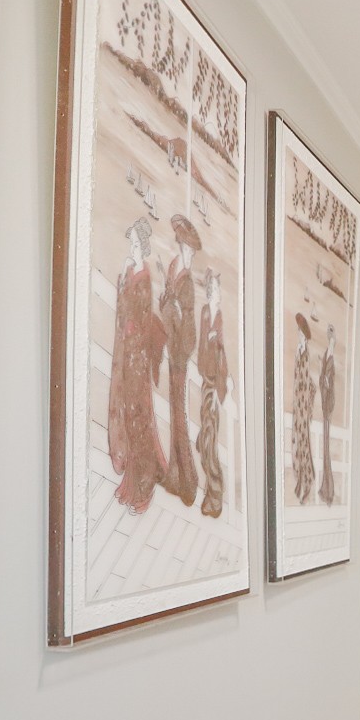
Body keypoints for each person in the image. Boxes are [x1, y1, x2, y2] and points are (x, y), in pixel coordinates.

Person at [106, 219, 167, 513]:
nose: (130, 248)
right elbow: (123, 311)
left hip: (138, 361)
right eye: (130, 243)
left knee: (139, 420)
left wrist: (130, 330)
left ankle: (143, 487)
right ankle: (133, 481)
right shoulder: (132, 273)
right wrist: (122, 276)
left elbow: (139, 320)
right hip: (129, 357)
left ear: (141, 246)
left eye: (133, 244)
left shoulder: (144, 278)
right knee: (130, 418)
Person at [159, 215, 200, 508]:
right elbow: (169, 302)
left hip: (179, 353)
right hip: (173, 347)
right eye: (188, 249)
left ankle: (187, 480)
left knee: (179, 414)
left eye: (191, 250)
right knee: (175, 413)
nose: (190, 254)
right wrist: (169, 309)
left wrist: (182, 349)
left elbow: (188, 323)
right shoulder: (176, 269)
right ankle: (177, 474)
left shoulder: (186, 280)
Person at [194, 277, 228, 519]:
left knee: (210, 442)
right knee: (207, 440)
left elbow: (221, 357)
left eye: (218, 289)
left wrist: (220, 389)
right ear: (209, 292)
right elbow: (202, 349)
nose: (218, 293)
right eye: (215, 289)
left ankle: (215, 497)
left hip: (214, 386)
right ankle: (211, 493)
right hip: (207, 382)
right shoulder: (206, 313)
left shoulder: (219, 318)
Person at [289, 313, 315, 504]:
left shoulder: (305, 354)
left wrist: (305, 407)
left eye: (300, 332)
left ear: (304, 336)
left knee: (303, 444)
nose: (298, 334)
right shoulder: (299, 352)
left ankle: (306, 482)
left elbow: (305, 382)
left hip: (302, 408)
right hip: (298, 407)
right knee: (297, 443)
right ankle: (300, 480)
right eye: (298, 331)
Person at [317, 320, 337, 505]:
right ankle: (326, 487)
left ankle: (328, 489)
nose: (328, 337)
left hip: (327, 407)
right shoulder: (327, 354)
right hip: (325, 405)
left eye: (330, 335)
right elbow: (324, 378)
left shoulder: (330, 355)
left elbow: (329, 381)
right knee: (325, 448)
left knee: (326, 448)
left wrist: (326, 382)